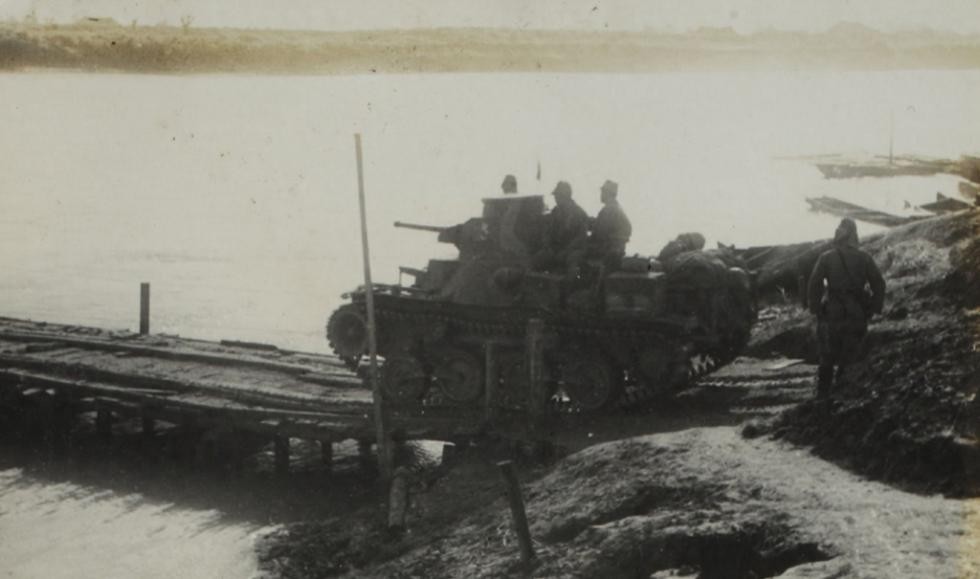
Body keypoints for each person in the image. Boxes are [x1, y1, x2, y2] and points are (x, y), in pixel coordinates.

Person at [807, 218, 886, 399]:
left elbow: (814, 283)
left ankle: (823, 398)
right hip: (856, 312)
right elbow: (879, 284)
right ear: (854, 235)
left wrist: (815, 308)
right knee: (850, 356)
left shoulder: (826, 257)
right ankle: (844, 396)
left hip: (832, 312)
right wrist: (874, 309)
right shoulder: (864, 258)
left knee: (827, 356)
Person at [532, 181, 589, 271]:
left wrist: (566, 251)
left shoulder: (579, 213)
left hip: (572, 250)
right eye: (556, 196)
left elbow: (580, 238)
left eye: (558, 196)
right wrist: (548, 247)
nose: (556, 198)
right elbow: (548, 232)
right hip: (555, 249)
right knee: (537, 259)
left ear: (565, 196)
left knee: (573, 262)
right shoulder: (556, 212)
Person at [589, 179, 632, 271]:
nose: (601, 194)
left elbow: (598, 233)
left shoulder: (609, 209)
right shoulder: (615, 208)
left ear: (607, 193)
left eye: (603, 191)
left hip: (607, 250)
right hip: (615, 249)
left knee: (575, 254)